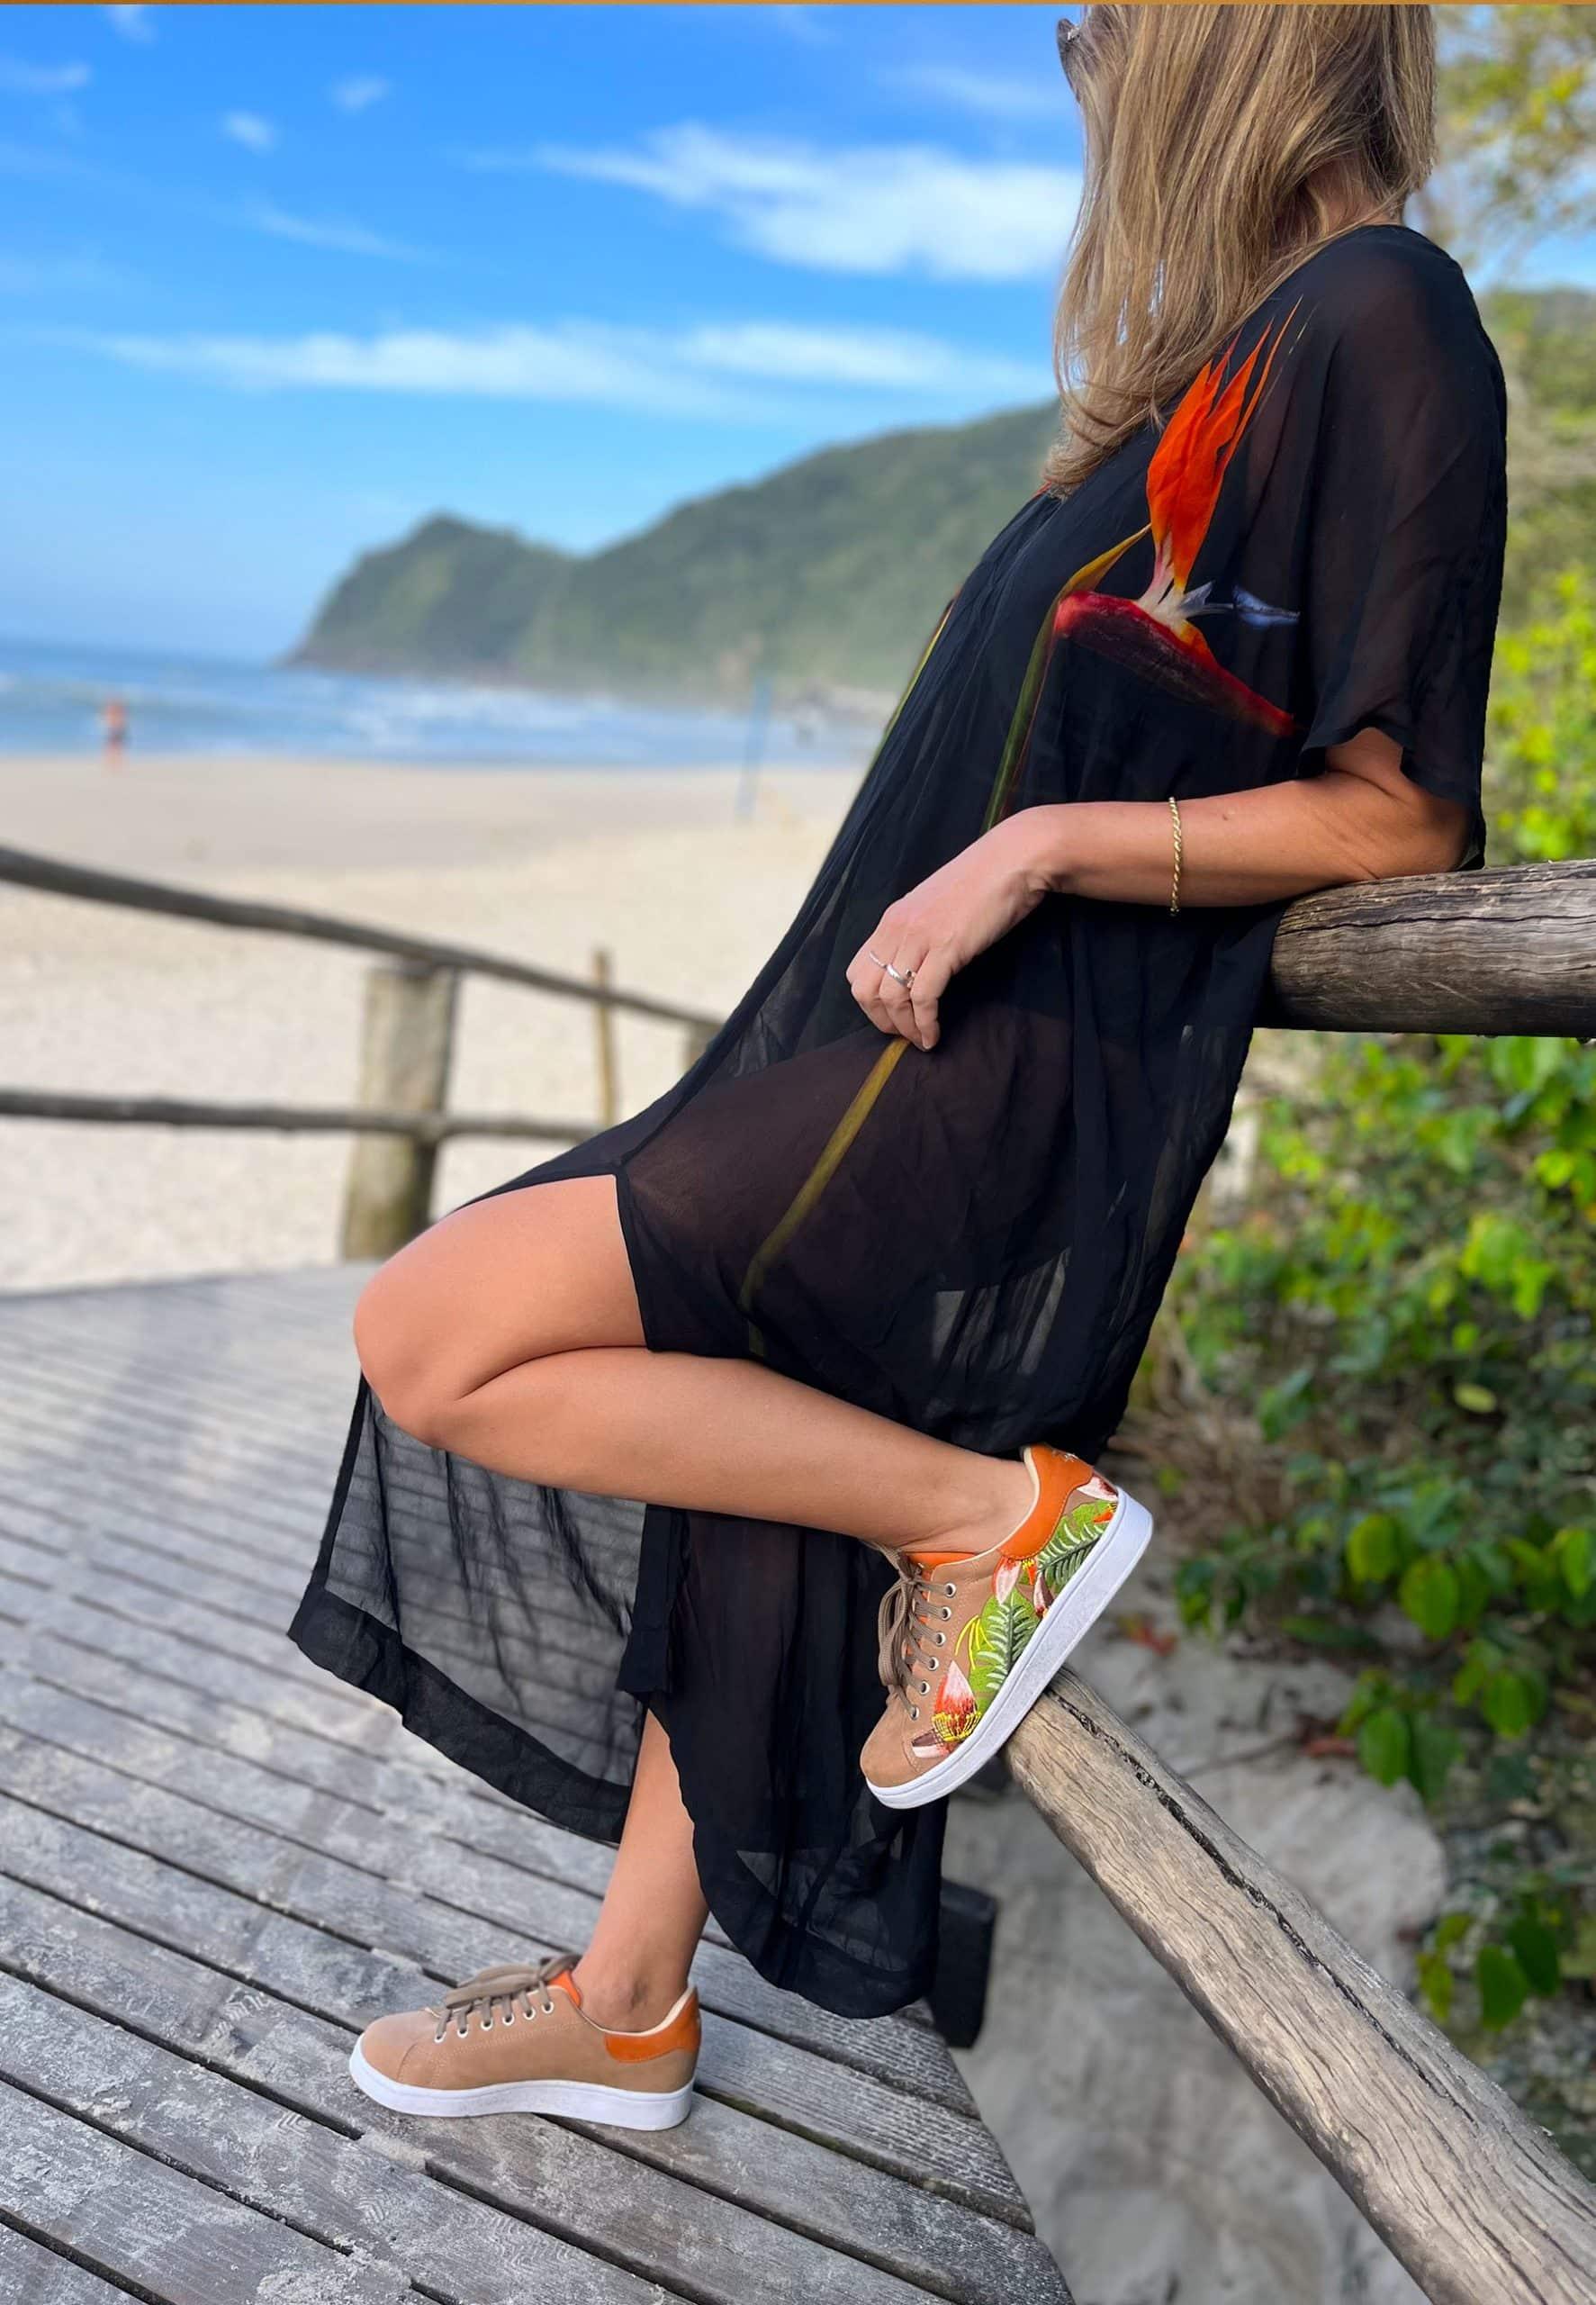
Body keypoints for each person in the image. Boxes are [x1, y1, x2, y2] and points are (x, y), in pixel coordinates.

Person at [291, 2, 1507, 2129]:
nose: (1080, 44)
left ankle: (990, 1522)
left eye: (1112, 22)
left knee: (436, 1328)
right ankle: (627, 1998)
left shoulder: (1377, 310)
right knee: (729, 1417)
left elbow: (1397, 814)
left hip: (1005, 1079)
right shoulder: (1203, 384)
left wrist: (1039, 846)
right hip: (905, 1051)